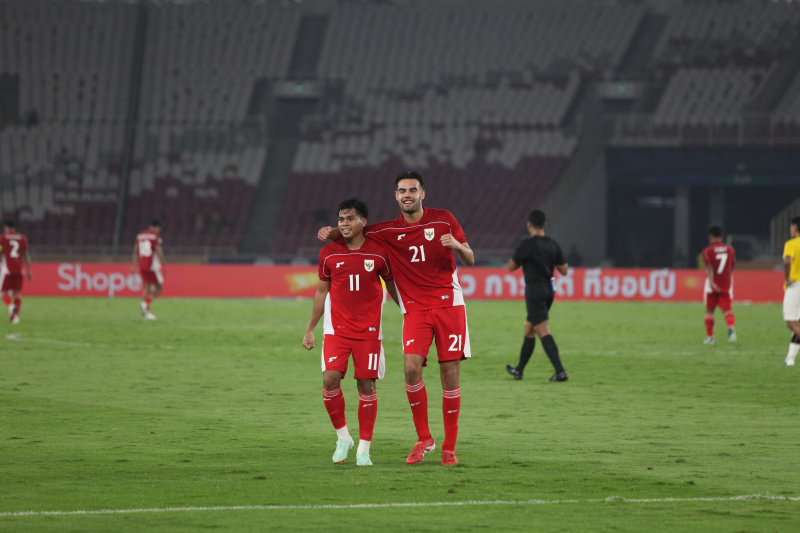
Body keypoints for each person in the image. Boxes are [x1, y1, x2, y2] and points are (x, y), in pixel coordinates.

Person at [318, 171, 474, 466]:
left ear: (422, 194)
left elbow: (470, 257)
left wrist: (458, 247)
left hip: (449, 305)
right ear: (396, 196)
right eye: (402, 191)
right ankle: (425, 438)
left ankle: (449, 447)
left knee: (450, 374)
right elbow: (355, 230)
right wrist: (333, 232)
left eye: (412, 190)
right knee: (411, 368)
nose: (407, 195)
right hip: (414, 309)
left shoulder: (444, 219)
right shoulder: (386, 231)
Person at [303, 198, 398, 466]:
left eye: (350, 219)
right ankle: (343, 437)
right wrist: (310, 329)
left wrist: (407, 310)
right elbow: (321, 292)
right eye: (341, 219)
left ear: (362, 222)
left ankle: (364, 449)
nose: (344, 224)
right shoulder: (328, 253)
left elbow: (391, 286)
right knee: (330, 380)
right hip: (336, 329)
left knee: (366, 385)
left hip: (369, 331)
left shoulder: (379, 252)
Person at [505, 210, 569, 382]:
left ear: (529, 225)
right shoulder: (553, 244)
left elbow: (511, 266)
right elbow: (564, 270)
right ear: (545, 225)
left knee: (542, 328)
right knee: (529, 328)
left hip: (534, 290)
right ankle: (519, 370)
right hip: (550, 289)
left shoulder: (527, 245)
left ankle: (560, 371)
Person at [701, 226, 736, 345]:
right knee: (727, 309)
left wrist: (711, 282)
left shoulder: (707, 251)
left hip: (712, 285)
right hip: (726, 283)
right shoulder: (730, 250)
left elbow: (709, 268)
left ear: (710, 236)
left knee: (709, 310)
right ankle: (731, 327)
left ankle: (710, 338)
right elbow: (732, 266)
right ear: (722, 236)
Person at [131, 220, 165, 320]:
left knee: (146, 288)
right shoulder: (156, 236)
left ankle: (146, 313)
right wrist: (163, 264)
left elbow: (135, 252)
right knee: (159, 287)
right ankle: (145, 303)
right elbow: (158, 250)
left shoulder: (140, 236)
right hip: (152, 266)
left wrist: (133, 266)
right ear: (156, 227)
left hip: (142, 265)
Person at [0, 220, 33, 324]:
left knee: (3, 292)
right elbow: (26, 254)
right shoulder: (22, 238)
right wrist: (29, 270)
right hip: (19, 269)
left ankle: (11, 306)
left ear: (7, 228)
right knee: (17, 293)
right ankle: (15, 318)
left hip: (8, 269)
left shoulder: (3, 238)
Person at [782, 217, 800, 366]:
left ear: (795, 228)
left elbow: (787, 261)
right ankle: (790, 359)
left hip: (795, 287)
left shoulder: (791, 244)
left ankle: (790, 359)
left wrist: (787, 278)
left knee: (791, 322)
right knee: (798, 324)